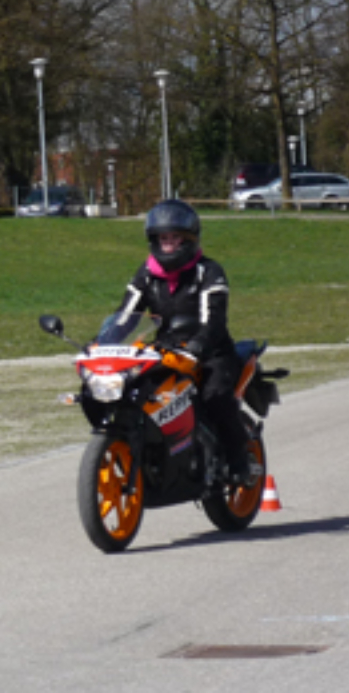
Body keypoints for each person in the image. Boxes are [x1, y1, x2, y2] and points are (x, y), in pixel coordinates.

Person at [114, 199, 253, 485]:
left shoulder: (209, 272)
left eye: (174, 238)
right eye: (163, 238)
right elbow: (126, 316)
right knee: (135, 392)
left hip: (210, 352)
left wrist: (200, 344)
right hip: (165, 351)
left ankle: (240, 460)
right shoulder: (147, 274)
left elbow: (214, 320)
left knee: (215, 398)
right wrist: (102, 342)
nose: (168, 244)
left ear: (188, 239)